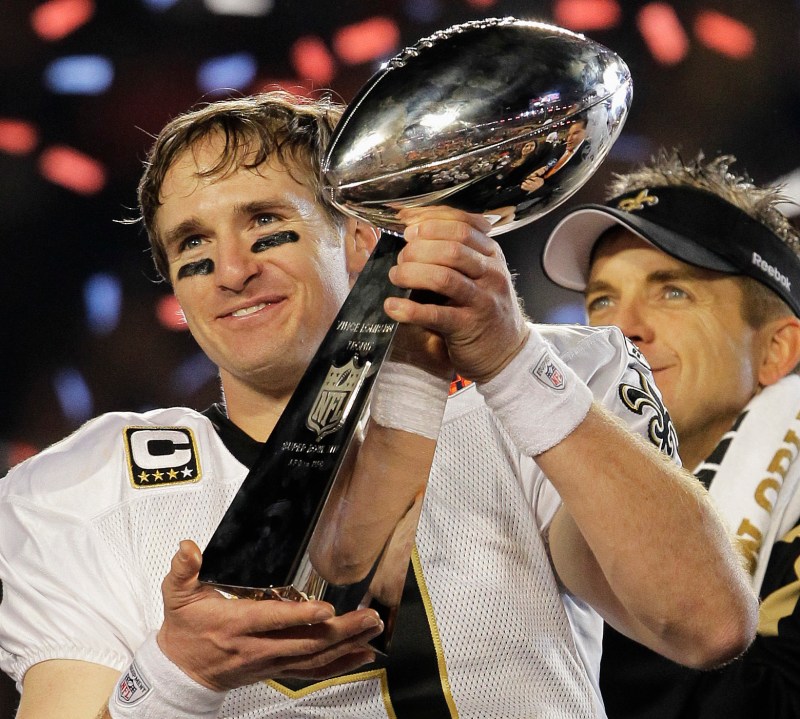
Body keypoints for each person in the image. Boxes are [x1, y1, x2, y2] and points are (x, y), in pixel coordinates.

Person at [0, 95, 757, 719]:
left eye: (270, 226)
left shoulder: (537, 385)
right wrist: (177, 673)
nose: (231, 270)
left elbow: (706, 624)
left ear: (362, 242)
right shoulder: (80, 486)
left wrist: (510, 360)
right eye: (193, 251)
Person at [542, 149, 800, 717]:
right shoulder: (532, 490)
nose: (621, 330)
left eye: (672, 291)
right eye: (602, 299)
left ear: (776, 349)